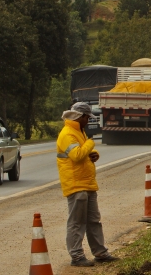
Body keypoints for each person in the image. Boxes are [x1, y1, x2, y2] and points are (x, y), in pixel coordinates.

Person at [56, 102, 118, 267]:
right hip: (76, 185)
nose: (88, 121)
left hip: (87, 183)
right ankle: (76, 256)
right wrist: (91, 144)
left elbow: (82, 153)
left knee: (93, 221)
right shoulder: (67, 133)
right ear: (80, 117)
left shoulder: (79, 131)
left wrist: (92, 153)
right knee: (76, 222)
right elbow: (76, 155)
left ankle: (100, 252)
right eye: (87, 118)